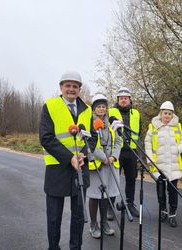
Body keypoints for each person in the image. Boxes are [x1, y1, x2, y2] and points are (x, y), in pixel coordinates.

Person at [39, 70, 97, 250]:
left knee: (79, 215)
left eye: (75, 86)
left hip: (80, 167)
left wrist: (83, 154)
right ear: (61, 87)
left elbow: (93, 137)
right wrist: (70, 157)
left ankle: (75, 247)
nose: (71, 89)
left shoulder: (88, 110)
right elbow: (46, 138)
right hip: (58, 169)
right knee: (54, 217)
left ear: (80, 89)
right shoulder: (49, 106)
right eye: (68, 85)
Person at [144, 101, 182, 227]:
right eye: (165, 113)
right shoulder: (153, 126)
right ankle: (163, 211)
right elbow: (148, 143)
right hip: (159, 165)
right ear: (160, 114)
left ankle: (172, 215)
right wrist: (150, 159)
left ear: (172, 115)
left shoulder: (177, 127)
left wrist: (178, 149)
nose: (167, 116)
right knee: (160, 191)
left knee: (173, 191)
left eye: (169, 113)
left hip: (173, 165)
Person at [87, 93, 121, 239]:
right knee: (95, 196)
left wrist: (113, 156)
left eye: (103, 107)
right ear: (94, 109)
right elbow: (90, 144)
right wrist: (103, 157)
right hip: (97, 165)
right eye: (98, 107)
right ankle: (93, 225)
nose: (101, 109)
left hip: (111, 164)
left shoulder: (112, 123)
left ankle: (105, 223)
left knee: (107, 195)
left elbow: (119, 141)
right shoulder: (89, 123)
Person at [107, 87, 141, 218]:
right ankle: (110, 207)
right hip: (116, 151)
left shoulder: (136, 113)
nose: (123, 100)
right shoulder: (111, 112)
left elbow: (139, 133)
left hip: (131, 151)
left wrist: (139, 153)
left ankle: (130, 204)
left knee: (131, 179)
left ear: (130, 99)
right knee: (114, 179)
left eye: (126, 98)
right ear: (117, 100)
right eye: (121, 98)